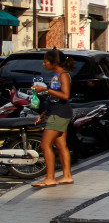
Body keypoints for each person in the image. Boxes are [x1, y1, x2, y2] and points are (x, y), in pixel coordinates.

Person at [31, 49, 75, 188]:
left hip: (59, 114)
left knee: (45, 144)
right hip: (55, 111)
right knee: (61, 145)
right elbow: (54, 98)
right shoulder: (57, 75)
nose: (44, 64)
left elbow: (65, 95)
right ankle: (67, 176)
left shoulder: (63, 75)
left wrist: (44, 90)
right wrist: (44, 112)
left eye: (46, 61)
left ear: (53, 62)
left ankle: (50, 178)